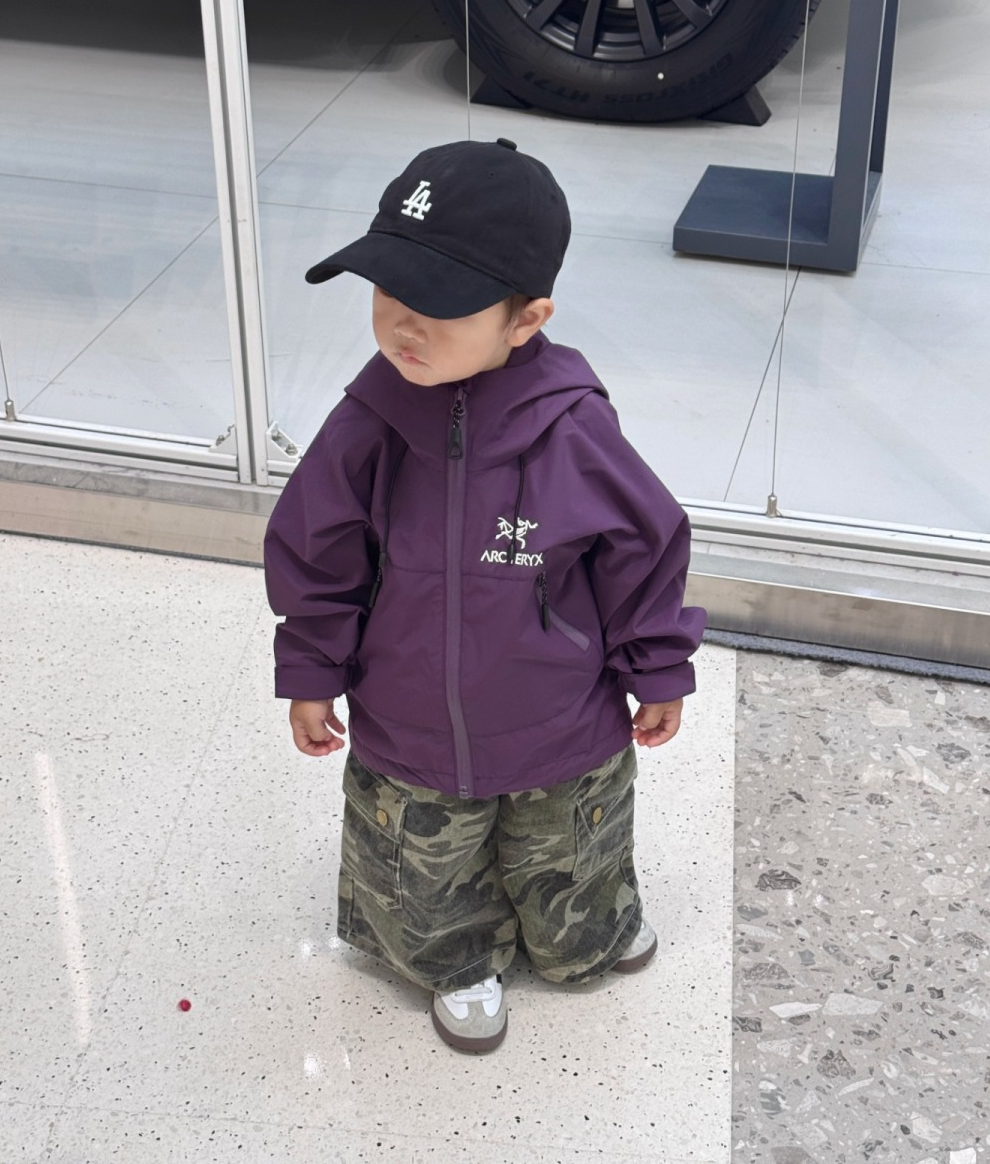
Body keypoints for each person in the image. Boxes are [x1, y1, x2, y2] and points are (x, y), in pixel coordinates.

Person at [264, 137, 706, 1054]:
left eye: (438, 304)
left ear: (526, 318)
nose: (403, 327)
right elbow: (318, 550)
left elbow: (643, 547)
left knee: (572, 851)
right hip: (409, 724)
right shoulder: (369, 422)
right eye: (386, 292)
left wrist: (658, 666)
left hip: (560, 722)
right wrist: (310, 668)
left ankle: (590, 927)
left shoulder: (573, 427)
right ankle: (456, 962)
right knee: (422, 869)